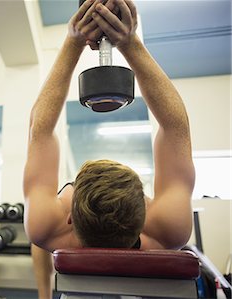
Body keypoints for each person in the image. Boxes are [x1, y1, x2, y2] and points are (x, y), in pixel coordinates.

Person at [22, 0, 196, 298]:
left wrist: (73, 41)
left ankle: (43, 295)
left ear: (70, 217)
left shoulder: (47, 227)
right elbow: (175, 126)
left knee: (38, 232)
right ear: (145, 212)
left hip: (52, 231)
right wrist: (130, 43)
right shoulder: (170, 231)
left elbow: (40, 128)